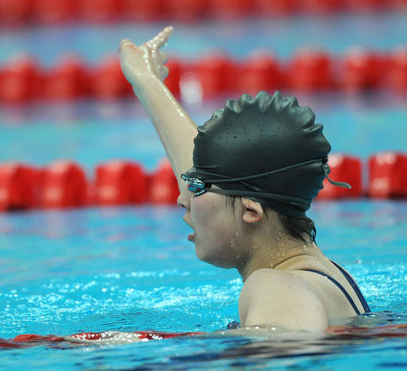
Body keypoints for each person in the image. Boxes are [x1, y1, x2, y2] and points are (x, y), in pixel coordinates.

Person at [118, 26, 369, 332]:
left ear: (252, 212)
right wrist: (147, 81)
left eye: (195, 187)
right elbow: (222, 184)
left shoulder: (274, 285)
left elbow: (285, 357)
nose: (182, 198)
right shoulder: (322, 273)